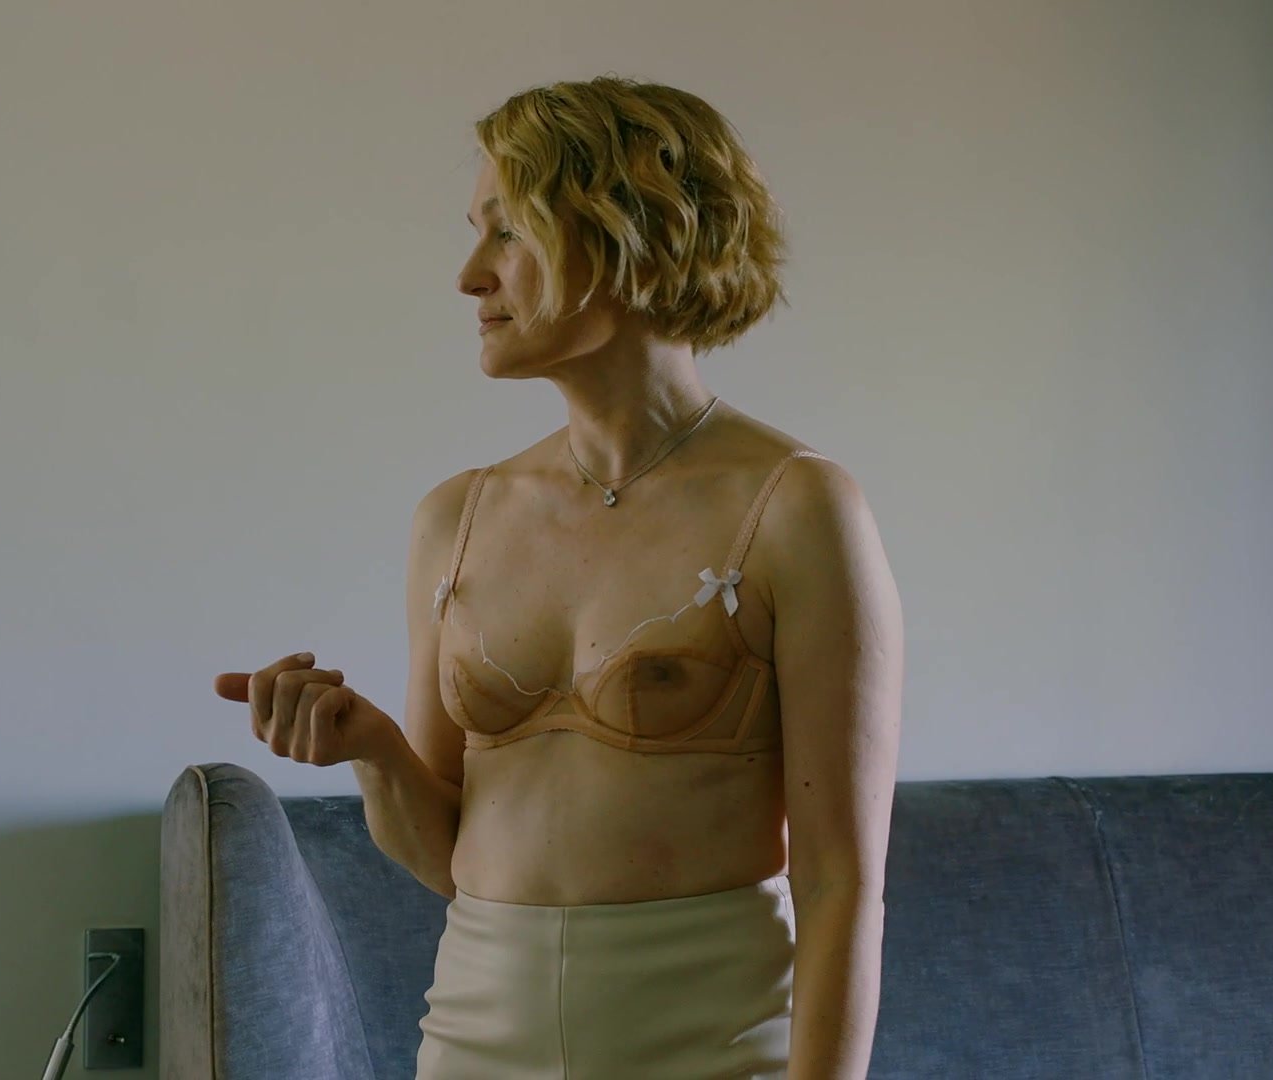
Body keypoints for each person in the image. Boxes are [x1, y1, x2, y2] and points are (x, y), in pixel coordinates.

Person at [215, 75, 903, 1080]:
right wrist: (370, 749)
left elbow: (842, 883)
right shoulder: (456, 518)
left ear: (630, 233)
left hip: (714, 1049)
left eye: (508, 231)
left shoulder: (798, 509)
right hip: (473, 1042)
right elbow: (446, 858)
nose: (470, 277)